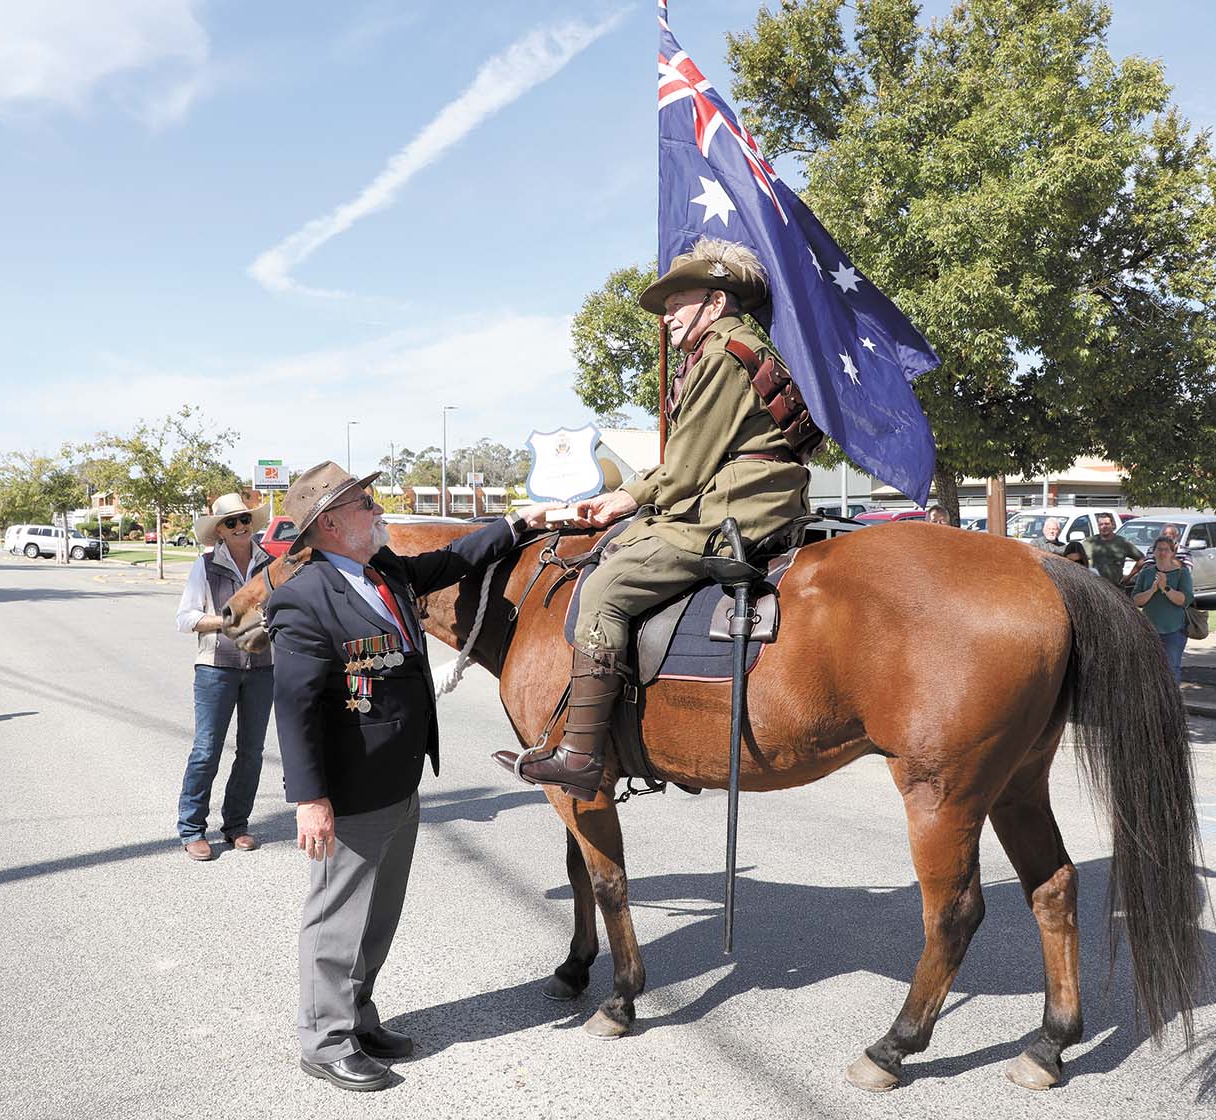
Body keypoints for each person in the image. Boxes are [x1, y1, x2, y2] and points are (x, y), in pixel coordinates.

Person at [268, 462, 554, 1092]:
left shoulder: (386, 572)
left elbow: (455, 559)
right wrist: (311, 798)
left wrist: (522, 521)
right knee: (337, 918)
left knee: (378, 916)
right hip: (348, 789)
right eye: (366, 504)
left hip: (399, 781)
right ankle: (324, 1038)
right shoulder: (303, 596)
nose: (379, 511)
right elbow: (295, 708)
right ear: (334, 524)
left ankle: (358, 1016)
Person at [493, 237, 813, 801]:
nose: (666, 318)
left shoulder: (719, 356)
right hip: (752, 497)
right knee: (615, 546)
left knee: (605, 587)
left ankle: (580, 754)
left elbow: (687, 470)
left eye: (677, 304)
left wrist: (628, 497)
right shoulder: (740, 348)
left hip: (730, 511)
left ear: (715, 302)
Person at [174, 493, 277, 861]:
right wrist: (227, 621)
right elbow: (185, 619)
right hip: (215, 669)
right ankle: (191, 828)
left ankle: (237, 825)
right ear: (219, 530)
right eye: (231, 522)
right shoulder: (205, 566)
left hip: (263, 668)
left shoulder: (271, 565)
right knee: (206, 751)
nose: (240, 526)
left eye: (245, 519)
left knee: (251, 752)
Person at [1131, 536, 1194, 681]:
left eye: (1166, 549)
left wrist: (1165, 588)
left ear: (1172, 552)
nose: (1162, 553)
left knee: (1171, 670)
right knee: (1149, 670)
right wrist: (1152, 590)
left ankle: (1172, 703)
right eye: (1159, 549)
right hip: (1149, 631)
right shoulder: (1146, 573)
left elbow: (1185, 601)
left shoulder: (1181, 573)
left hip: (1174, 631)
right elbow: (1135, 601)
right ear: (1153, 552)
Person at [1083, 513, 1142, 589]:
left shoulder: (1122, 543)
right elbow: (1076, 560)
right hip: (1094, 589)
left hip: (1116, 588)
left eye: (1107, 524)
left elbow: (1141, 560)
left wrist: (1128, 577)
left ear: (1113, 525)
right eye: (1101, 524)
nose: (1103, 527)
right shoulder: (1089, 542)